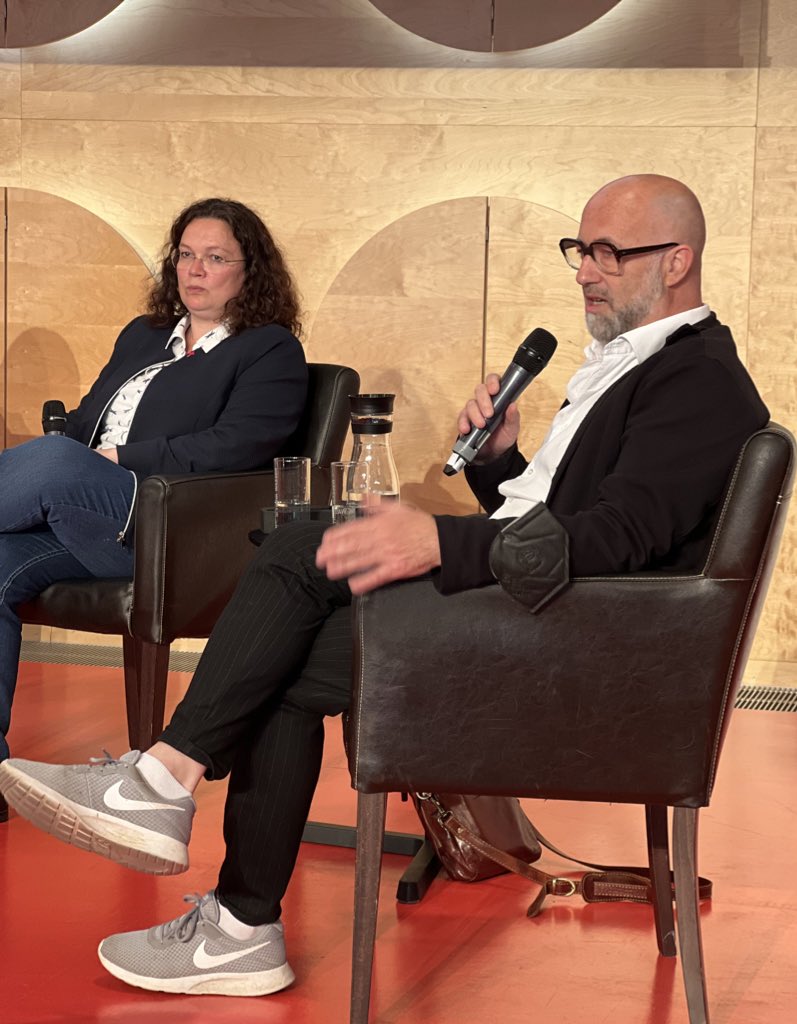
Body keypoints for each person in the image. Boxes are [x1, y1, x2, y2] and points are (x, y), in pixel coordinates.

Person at [0, 175, 769, 998]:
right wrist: (503, 463)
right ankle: (237, 928)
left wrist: (436, 540)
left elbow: (613, 542)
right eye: (580, 250)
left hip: (574, 643)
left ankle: (163, 788)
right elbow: (573, 516)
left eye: (610, 252)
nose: (585, 269)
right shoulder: (640, 366)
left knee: (302, 550)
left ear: (678, 260)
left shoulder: (696, 381)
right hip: (541, 608)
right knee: (282, 657)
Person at [0, 196, 308, 765]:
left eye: (215, 258)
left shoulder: (270, 350)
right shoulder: (145, 334)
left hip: (170, 527)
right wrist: (74, 448)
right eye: (186, 255)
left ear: (250, 271)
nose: (194, 270)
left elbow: (237, 446)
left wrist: (118, 458)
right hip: (88, 517)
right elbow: (88, 419)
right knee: (29, 502)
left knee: (54, 461)